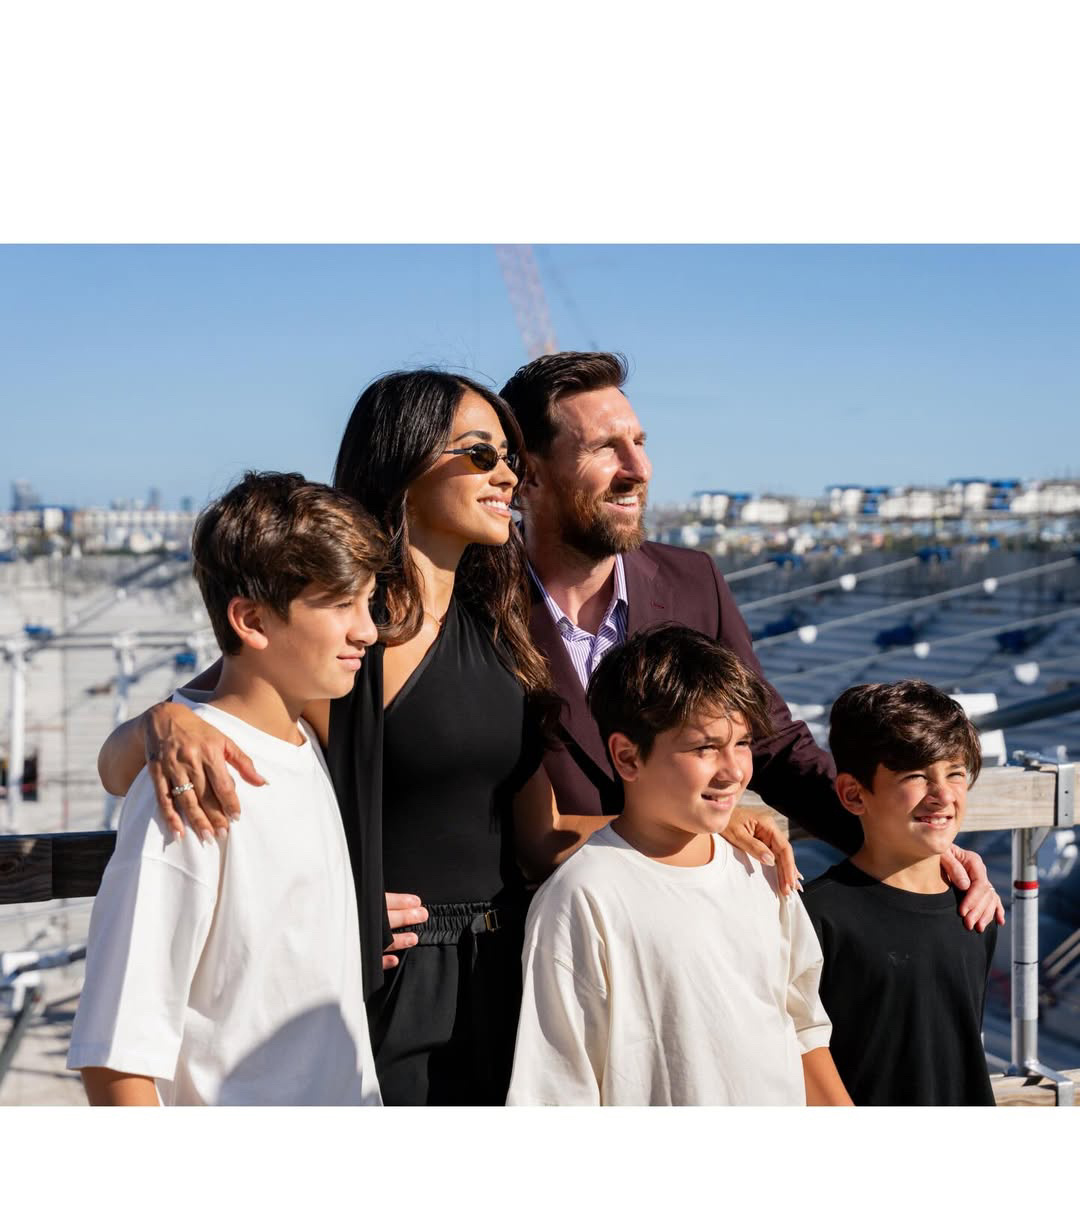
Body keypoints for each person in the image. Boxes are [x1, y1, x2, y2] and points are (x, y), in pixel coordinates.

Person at [97, 373, 594, 1106]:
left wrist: (699, 829)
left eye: (510, 457)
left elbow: (536, 836)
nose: (507, 475)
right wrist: (164, 721)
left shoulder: (497, 627)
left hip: (503, 972)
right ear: (405, 462)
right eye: (481, 453)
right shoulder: (343, 635)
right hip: (389, 986)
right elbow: (148, 749)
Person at [498, 350, 1005, 932]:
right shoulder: (476, 599)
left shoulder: (692, 581)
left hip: (689, 926)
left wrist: (909, 846)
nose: (638, 468)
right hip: (537, 936)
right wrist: (687, 833)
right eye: (604, 448)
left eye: (639, 442)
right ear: (528, 475)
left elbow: (773, 742)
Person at [69, 472, 385, 1106]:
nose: (368, 631)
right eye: (341, 604)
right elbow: (115, 1056)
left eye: (368, 602)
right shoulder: (188, 783)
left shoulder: (304, 742)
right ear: (251, 620)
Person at [507, 625, 852, 1106]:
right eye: (704, 748)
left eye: (742, 743)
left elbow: (803, 1028)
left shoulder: (760, 870)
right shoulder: (581, 897)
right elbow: (557, 1090)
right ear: (627, 757)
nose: (734, 770)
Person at [801, 680, 998, 1106]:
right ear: (854, 794)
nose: (943, 795)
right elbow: (797, 1051)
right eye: (916, 776)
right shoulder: (814, 916)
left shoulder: (976, 909)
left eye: (955, 773)